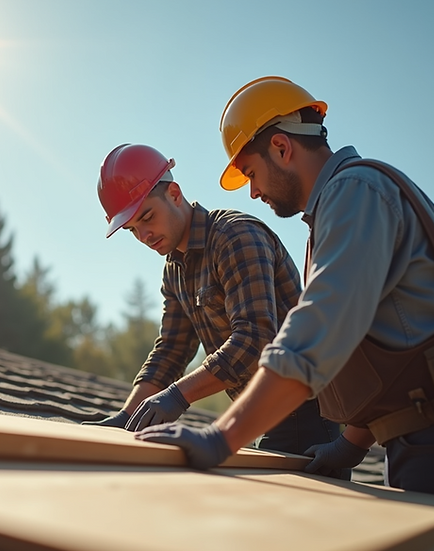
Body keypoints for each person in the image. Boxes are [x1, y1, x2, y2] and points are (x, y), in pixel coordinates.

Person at [135, 76, 434, 551]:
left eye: (251, 173)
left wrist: (224, 437)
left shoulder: (355, 193)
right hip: (431, 439)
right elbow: (383, 340)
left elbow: (317, 332)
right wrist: (353, 442)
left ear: (281, 148)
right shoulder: (342, 206)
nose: (253, 193)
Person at [85, 143, 341, 463]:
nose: (145, 236)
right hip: (261, 414)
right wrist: (127, 416)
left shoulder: (235, 237)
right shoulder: (174, 270)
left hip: (307, 414)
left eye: (147, 217)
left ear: (174, 194)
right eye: (133, 230)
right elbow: (172, 349)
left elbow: (255, 341)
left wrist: (178, 396)